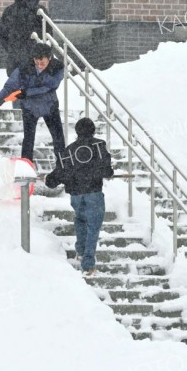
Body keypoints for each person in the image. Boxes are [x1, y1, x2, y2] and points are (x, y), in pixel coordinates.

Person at [45, 118, 114, 275]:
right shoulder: (99, 146)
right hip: (94, 194)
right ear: (93, 130)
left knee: (81, 221)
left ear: (76, 131)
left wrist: (51, 180)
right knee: (93, 228)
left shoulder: (69, 150)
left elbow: (61, 172)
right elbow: (107, 170)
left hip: (76, 195)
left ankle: (80, 252)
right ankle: (88, 264)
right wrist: (104, 172)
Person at [0, 43, 65, 163]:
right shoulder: (24, 69)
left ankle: (64, 168)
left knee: (58, 139)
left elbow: (50, 87)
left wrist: (26, 92)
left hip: (49, 106)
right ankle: (26, 168)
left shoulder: (57, 68)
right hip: (30, 108)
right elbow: (8, 88)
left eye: (42, 62)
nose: (39, 65)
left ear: (50, 58)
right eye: (37, 62)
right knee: (28, 140)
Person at [0, 0, 52, 77]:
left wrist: (12, 49)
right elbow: (49, 34)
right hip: (38, 62)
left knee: (17, 90)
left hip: (16, 63)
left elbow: (2, 35)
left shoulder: (10, 11)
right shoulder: (40, 11)